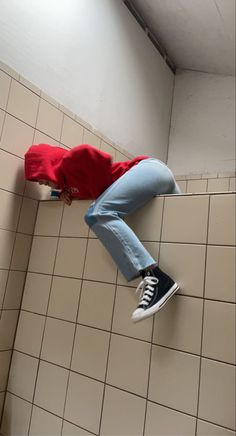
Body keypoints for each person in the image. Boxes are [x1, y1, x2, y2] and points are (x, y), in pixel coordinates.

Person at [24, 143, 181, 323]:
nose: (41, 183)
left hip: (151, 171)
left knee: (96, 214)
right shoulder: (71, 185)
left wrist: (72, 159)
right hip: (159, 181)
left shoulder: (70, 165)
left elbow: (87, 153)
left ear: (49, 164)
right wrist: (63, 193)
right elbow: (88, 187)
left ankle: (155, 277)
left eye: (40, 176)